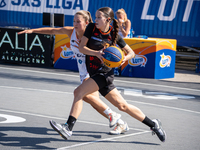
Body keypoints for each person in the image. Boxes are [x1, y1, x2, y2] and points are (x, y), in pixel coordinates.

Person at [50, 7, 166, 142]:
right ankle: (154, 124)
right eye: (96, 17)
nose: (96, 19)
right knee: (123, 106)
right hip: (94, 72)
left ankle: (68, 128)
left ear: (108, 20)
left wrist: (123, 59)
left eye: (99, 17)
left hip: (104, 73)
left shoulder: (113, 35)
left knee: (79, 93)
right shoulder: (91, 28)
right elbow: (82, 47)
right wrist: (96, 53)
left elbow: (131, 53)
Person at [18, 10, 129, 135]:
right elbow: (53, 31)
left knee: (83, 95)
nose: (75, 24)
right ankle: (119, 122)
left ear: (87, 23)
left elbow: (107, 42)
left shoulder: (93, 35)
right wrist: (33, 31)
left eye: (78, 21)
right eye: (74, 21)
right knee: (94, 102)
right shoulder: (70, 32)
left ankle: (69, 126)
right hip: (83, 73)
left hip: (93, 71)